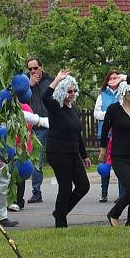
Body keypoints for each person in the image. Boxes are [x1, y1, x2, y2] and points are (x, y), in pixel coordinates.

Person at [43, 70, 91, 228]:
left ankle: (60, 211)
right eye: (69, 91)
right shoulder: (56, 106)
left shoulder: (73, 109)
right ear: (62, 91)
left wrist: (84, 156)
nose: (72, 94)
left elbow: (78, 135)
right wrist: (57, 79)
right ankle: (60, 222)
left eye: (74, 90)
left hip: (72, 152)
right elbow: (45, 98)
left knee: (84, 186)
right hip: (58, 152)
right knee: (65, 187)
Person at [99, 81, 130, 226]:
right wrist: (103, 150)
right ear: (124, 92)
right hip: (119, 156)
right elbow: (105, 130)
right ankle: (113, 214)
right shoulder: (114, 109)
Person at [26, 58, 53, 204]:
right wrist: (30, 86)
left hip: (53, 124)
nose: (33, 71)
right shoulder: (26, 84)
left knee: (60, 157)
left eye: (35, 68)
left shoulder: (51, 80)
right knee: (37, 160)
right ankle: (37, 192)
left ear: (41, 67)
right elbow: (21, 101)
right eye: (30, 69)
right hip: (37, 127)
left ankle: (67, 187)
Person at [94, 70, 123, 203]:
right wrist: (110, 114)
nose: (112, 80)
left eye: (115, 78)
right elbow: (96, 113)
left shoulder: (124, 92)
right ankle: (103, 192)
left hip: (119, 134)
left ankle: (122, 194)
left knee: (120, 165)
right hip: (105, 133)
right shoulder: (102, 95)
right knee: (104, 165)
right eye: (110, 78)